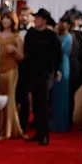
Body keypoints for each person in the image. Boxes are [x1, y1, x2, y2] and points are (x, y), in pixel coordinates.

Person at [21, 8, 61, 146]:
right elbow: (26, 51)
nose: (36, 20)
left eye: (38, 18)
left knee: (43, 103)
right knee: (36, 104)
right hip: (32, 72)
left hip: (45, 73)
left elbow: (57, 55)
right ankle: (38, 132)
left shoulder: (51, 36)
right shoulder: (30, 34)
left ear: (44, 20)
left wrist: (56, 70)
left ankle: (44, 134)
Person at [0, 11, 24, 140]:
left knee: (9, 99)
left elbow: (21, 58)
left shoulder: (17, 37)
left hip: (10, 71)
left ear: (13, 21)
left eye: (8, 19)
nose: (5, 21)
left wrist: (14, 51)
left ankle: (8, 129)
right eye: (3, 18)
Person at [50, 18, 73, 132]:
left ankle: (61, 123)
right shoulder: (59, 36)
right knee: (56, 95)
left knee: (62, 96)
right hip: (58, 64)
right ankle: (55, 121)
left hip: (63, 65)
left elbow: (61, 49)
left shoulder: (68, 37)